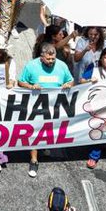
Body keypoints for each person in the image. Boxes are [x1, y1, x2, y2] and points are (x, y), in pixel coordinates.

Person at [19, 43, 75, 178]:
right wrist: (31, 86)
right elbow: (20, 82)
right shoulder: (31, 66)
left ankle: (45, 147)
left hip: (55, 106)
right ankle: (34, 160)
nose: (51, 62)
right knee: (36, 131)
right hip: (36, 106)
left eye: (53, 59)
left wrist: (68, 84)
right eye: (48, 59)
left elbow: (71, 80)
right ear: (41, 57)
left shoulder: (61, 66)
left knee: (49, 129)